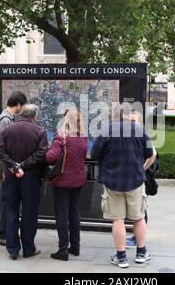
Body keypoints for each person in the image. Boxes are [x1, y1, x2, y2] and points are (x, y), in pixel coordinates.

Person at [91, 105, 154, 269]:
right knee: (139, 217)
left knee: (118, 220)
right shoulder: (138, 129)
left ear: (114, 115)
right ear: (127, 115)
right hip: (136, 180)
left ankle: (121, 257)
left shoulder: (107, 130)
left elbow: (95, 154)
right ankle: (141, 253)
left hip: (112, 181)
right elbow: (149, 153)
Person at [0, 104, 48, 260]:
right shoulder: (40, 131)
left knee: (11, 210)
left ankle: (12, 249)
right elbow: (41, 154)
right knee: (29, 212)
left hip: (11, 176)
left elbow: (0, 152)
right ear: (34, 116)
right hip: (30, 177)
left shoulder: (8, 130)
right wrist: (23, 165)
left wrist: (13, 165)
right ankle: (28, 248)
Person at [46, 109, 88, 261]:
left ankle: (63, 249)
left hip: (62, 181)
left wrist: (48, 149)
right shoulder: (83, 137)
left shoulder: (61, 136)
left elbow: (51, 158)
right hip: (78, 180)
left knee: (62, 215)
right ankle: (75, 247)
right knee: (74, 213)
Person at [0, 91, 28, 246]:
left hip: (6, 165)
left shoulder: (7, 118)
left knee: (6, 199)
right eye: (22, 106)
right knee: (4, 199)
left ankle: (6, 231)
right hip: (4, 167)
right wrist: (4, 169)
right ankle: (4, 233)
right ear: (19, 104)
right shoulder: (5, 120)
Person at [126, 110, 157, 247]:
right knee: (138, 210)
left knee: (140, 210)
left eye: (133, 121)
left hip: (139, 178)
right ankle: (136, 237)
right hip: (134, 177)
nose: (130, 124)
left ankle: (138, 239)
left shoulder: (141, 135)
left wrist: (142, 168)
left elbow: (153, 154)